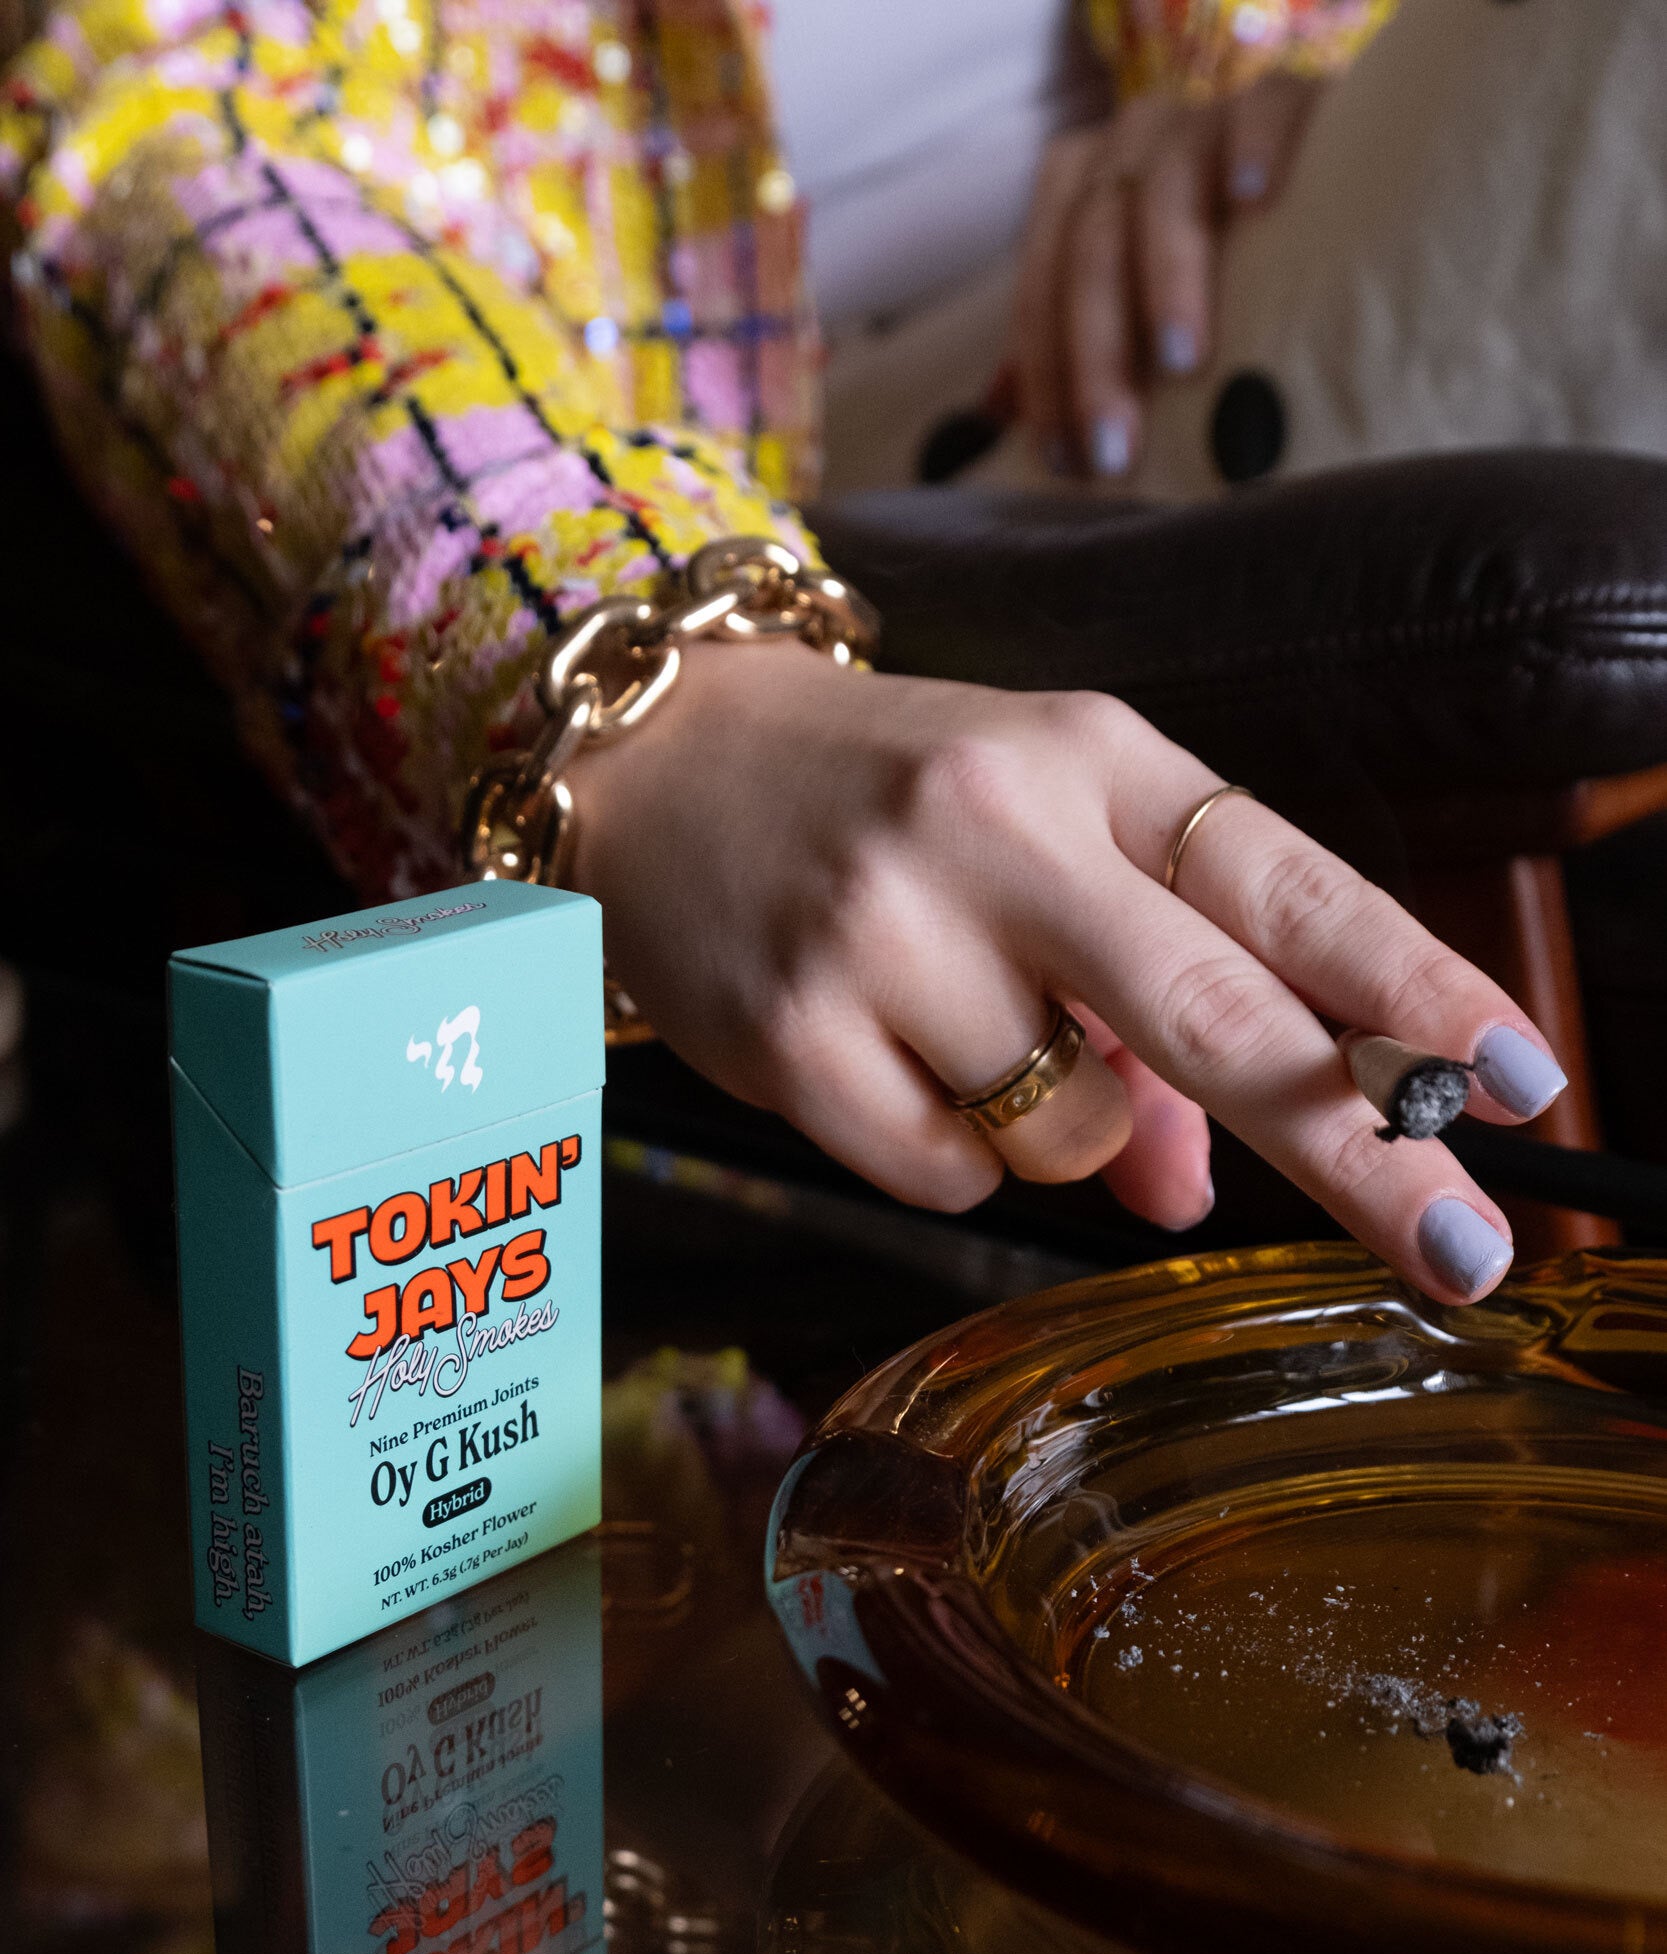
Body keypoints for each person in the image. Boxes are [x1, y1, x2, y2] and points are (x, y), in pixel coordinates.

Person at [0, 0, 1561, 1305]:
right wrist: (658, 691)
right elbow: (172, 130)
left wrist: (1301, 96)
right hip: (771, 596)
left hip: (1353, 453)